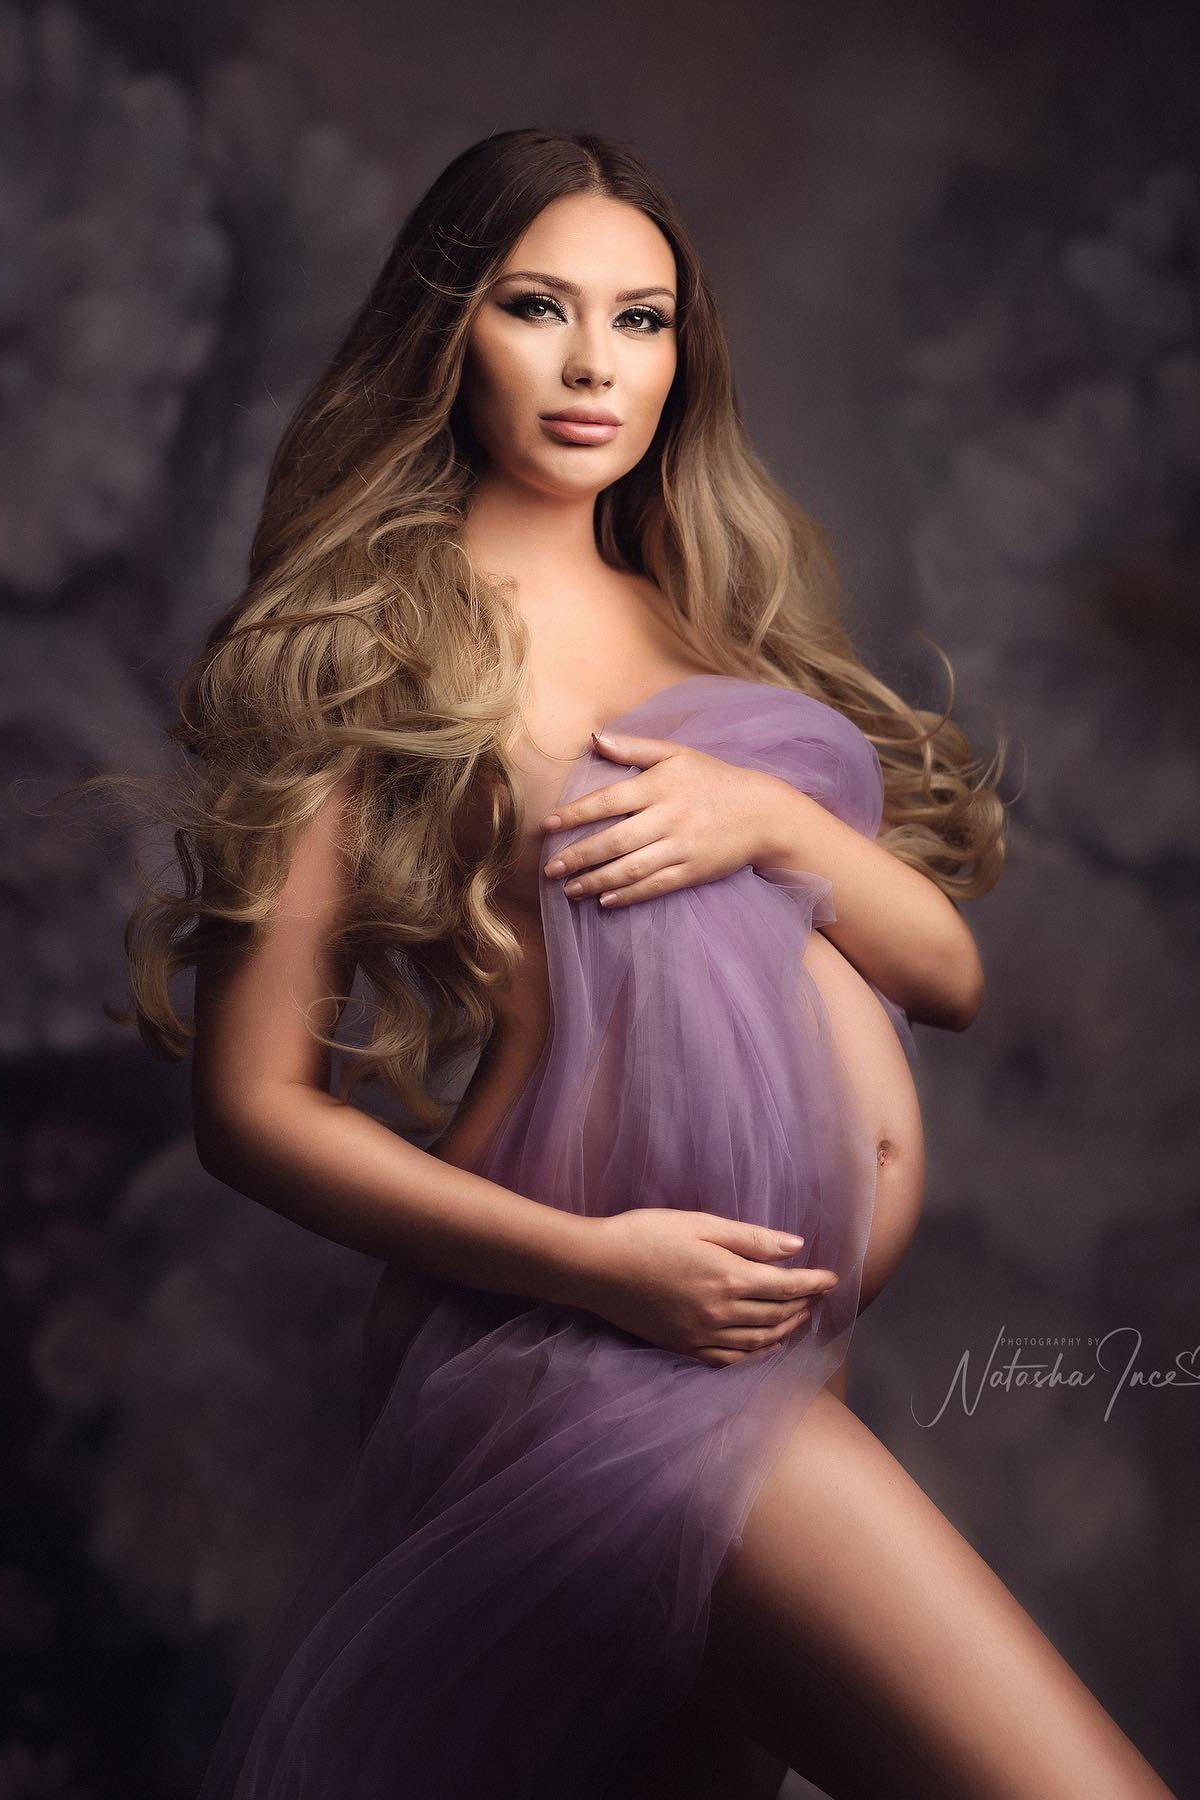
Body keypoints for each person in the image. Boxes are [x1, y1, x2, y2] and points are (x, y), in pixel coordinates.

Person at [110, 129, 1173, 1797]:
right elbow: (249, 1113)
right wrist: (605, 1273)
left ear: (688, 352)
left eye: (646, 317)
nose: (599, 364)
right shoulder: (367, 641)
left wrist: (783, 823)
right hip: (591, 1351)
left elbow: (947, 973)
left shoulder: (703, 618)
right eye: (541, 307)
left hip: (763, 1350)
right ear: (447, 329)